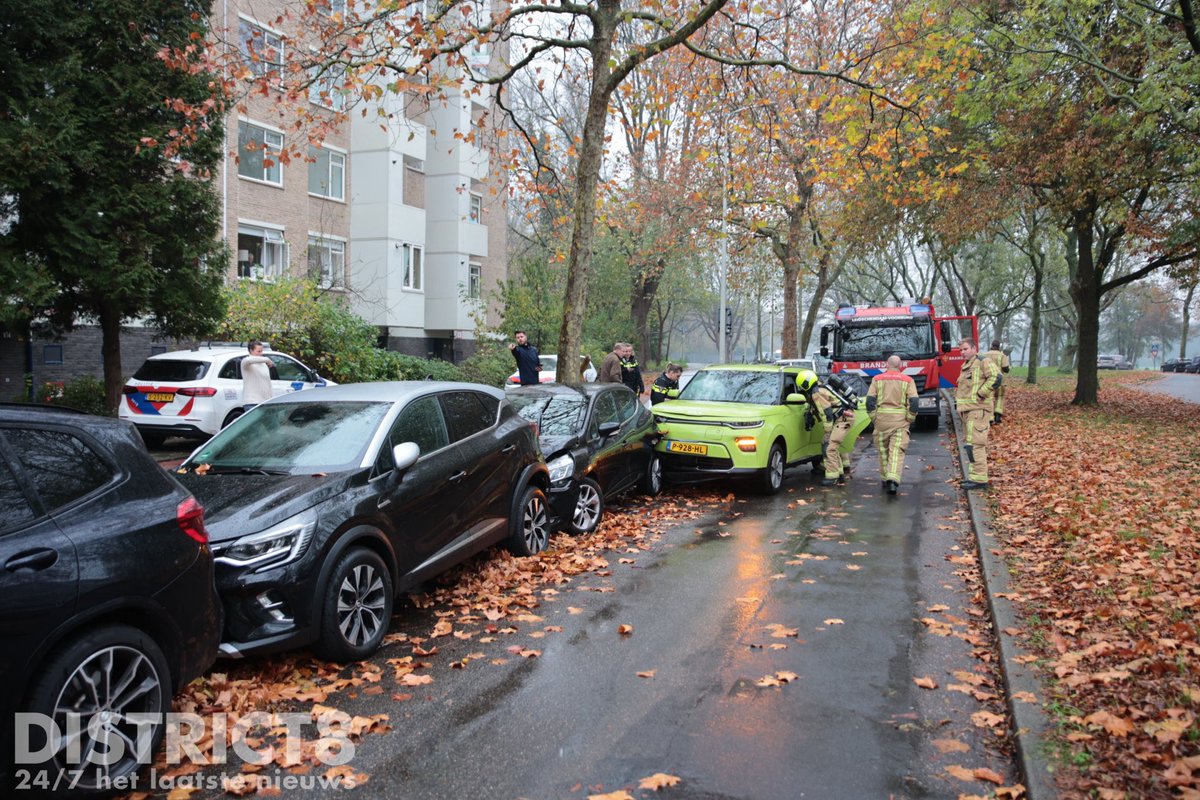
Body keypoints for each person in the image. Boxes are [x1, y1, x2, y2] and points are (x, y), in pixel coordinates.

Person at [868, 355, 919, 495]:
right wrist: (910, 418)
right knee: (896, 451)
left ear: (887, 364)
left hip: (881, 421)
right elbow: (914, 402)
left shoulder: (877, 379)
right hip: (900, 422)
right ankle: (893, 480)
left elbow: (870, 401)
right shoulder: (908, 380)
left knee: (883, 451)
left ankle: (885, 478)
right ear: (900, 365)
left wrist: (874, 417)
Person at [955, 338, 1001, 490]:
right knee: (971, 444)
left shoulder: (983, 361)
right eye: (961, 350)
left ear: (974, 348)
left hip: (977, 409)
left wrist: (982, 393)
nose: (962, 352)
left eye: (965, 349)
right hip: (969, 410)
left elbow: (996, 377)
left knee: (976, 444)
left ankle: (980, 480)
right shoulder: (967, 365)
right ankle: (975, 477)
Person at [813, 381, 856, 487]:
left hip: (843, 419)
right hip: (844, 417)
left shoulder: (817, 393)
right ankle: (840, 474)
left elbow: (826, 412)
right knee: (833, 446)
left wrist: (827, 432)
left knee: (830, 447)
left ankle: (832, 477)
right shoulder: (823, 387)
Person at [240, 340, 274, 412]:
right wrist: (267, 359)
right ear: (251, 351)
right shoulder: (246, 363)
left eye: (262, 351)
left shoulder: (263, 363)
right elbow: (249, 360)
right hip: (252, 402)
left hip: (265, 402)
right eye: (258, 351)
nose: (261, 353)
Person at [983, 339, 1011, 424]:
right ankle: (997, 415)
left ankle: (990, 418)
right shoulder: (1002, 355)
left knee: (989, 398)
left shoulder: (984, 355)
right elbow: (1005, 369)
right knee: (1000, 397)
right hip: (999, 380)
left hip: (988, 380)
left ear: (991, 345)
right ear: (999, 347)